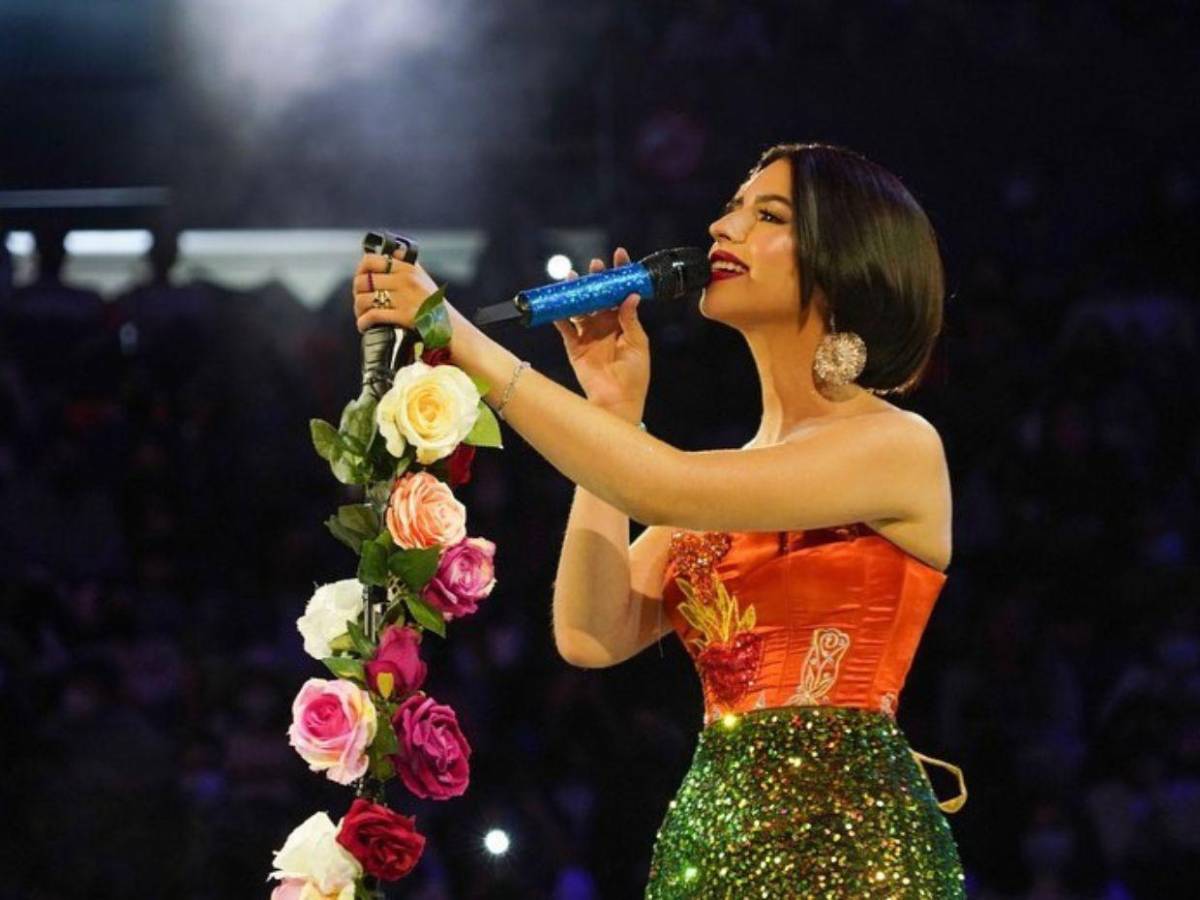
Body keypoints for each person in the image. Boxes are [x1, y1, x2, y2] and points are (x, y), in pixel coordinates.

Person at [350, 141, 967, 897]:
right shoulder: (730, 481)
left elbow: (661, 485)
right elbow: (592, 632)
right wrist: (616, 413)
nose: (721, 228)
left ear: (846, 257)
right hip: (712, 849)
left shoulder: (897, 446)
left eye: (768, 215)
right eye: (732, 208)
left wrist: (457, 335)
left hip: (853, 851)